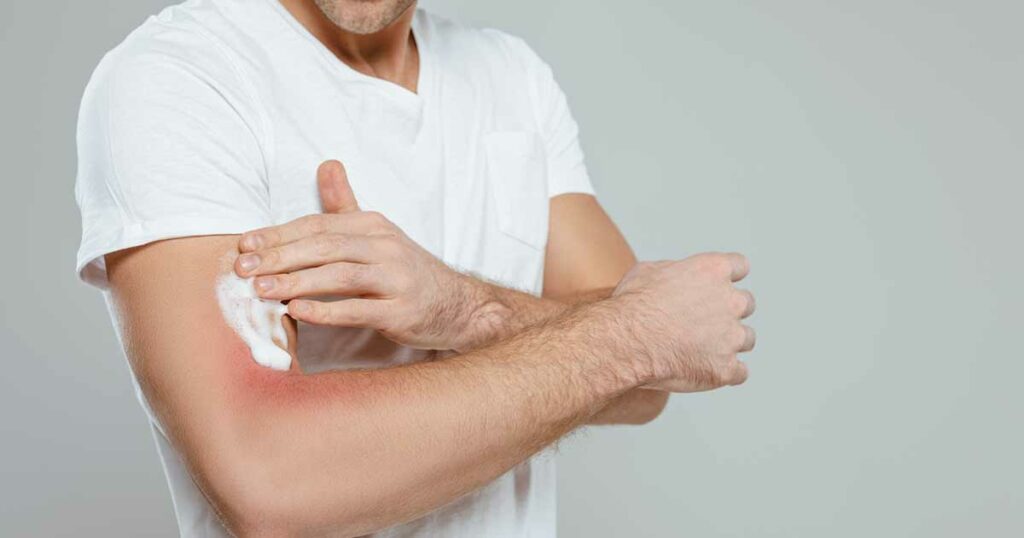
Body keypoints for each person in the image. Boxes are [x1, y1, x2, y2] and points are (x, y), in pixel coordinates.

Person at [74, 0, 757, 535]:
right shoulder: (185, 76)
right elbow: (267, 477)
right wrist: (629, 335)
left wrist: (463, 307)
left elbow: (646, 388)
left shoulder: (511, 76)